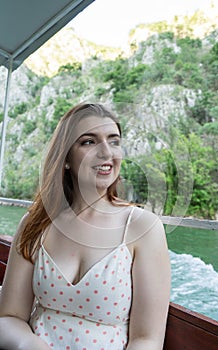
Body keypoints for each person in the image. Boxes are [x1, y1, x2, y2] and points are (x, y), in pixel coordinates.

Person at [0, 103, 171, 350]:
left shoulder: (142, 228)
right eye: (89, 142)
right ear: (66, 158)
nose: (106, 152)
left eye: (114, 141)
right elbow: (9, 317)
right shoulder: (36, 224)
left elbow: (147, 339)